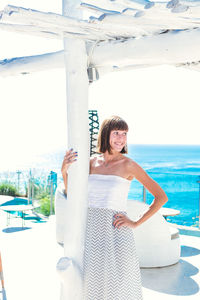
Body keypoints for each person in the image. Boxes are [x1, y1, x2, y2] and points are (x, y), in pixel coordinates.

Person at [61, 115, 168, 300]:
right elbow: (74, 196)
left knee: (118, 288)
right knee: (92, 284)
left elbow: (161, 197)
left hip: (116, 233)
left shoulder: (129, 165)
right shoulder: (91, 163)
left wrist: (135, 223)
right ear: (105, 135)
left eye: (124, 134)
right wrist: (64, 171)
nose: (121, 138)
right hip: (92, 231)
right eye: (116, 133)